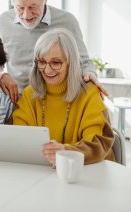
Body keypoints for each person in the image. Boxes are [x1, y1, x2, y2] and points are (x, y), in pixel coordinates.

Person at [11, 28, 115, 166]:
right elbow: (18, 138)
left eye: (56, 62)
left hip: (88, 172)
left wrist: (66, 152)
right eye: (42, 62)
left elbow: (98, 144)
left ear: (71, 63)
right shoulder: (29, 94)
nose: (47, 70)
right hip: (42, 172)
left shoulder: (90, 94)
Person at [0, 0, 107, 97]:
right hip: (17, 101)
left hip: (56, 101)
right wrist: (1, 75)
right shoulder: (3, 21)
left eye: (32, 7)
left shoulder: (67, 21)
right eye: (20, 7)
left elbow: (84, 61)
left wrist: (89, 74)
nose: (26, 15)